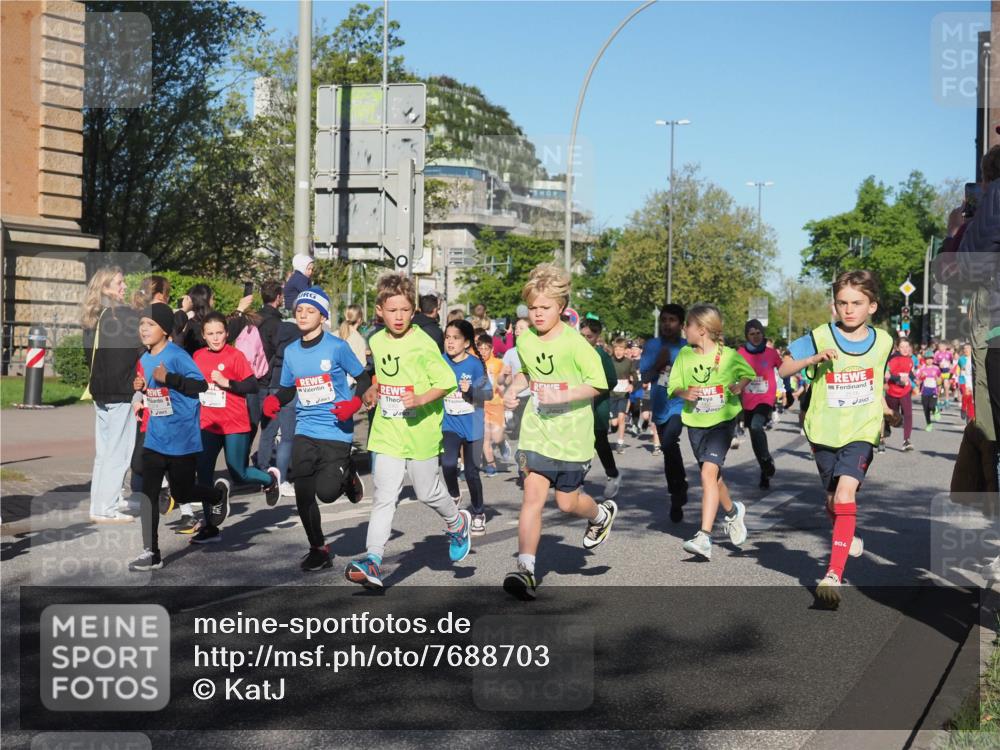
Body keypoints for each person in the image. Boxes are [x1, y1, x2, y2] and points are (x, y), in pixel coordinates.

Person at [779, 270, 896, 608]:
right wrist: (811, 360)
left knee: (845, 494)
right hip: (823, 431)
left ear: (872, 306)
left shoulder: (885, 341)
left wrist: (885, 408)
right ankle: (848, 534)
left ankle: (833, 574)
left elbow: (875, 379)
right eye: (843, 303)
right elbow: (784, 369)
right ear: (835, 305)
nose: (849, 310)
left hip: (861, 431)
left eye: (857, 303)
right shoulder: (818, 336)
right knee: (833, 502)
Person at [501, 264, 617, 600]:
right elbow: (528, 375)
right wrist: (515, 388)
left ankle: (600, 514)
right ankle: (525, 569)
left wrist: (563, 394)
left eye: (545, 308)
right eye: (533, 308)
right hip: (537, 431)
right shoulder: (525, 341)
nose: (537, 314)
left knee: (567, 504)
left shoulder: (576, 344)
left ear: (561, 308)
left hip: (573, 436)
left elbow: (599, 383)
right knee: (532, 497)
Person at [348, 273, 471, 589]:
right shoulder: (375, 341)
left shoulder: (423, 343)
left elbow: (446, 382)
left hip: (421, 430)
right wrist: (372, 392)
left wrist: (418, 398)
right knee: (384, 497)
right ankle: (373, 560)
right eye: (392, 310)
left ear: (413, 309)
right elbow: (383, 377)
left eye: (405, 310)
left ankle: (457, 523)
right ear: (380, 311)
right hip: (389, 429)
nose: (399, 317)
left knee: (427, 492)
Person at [262, 287, 368, 571]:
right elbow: (287, 389)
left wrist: (354, 404)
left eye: (310, 311)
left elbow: (364, 377)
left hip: (336, 429)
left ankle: (347, 477)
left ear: (322, 317)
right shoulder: (292, 351)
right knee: (304, 492)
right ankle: (318, 548)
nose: (303, 315)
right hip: (305, 428)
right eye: (299, 311)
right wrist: (275, 399)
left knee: (327, 493)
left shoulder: (336, 347)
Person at [667, 304, 754, 561]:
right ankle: (732, 512)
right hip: (695, 423)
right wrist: (685, 392)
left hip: (722, 422)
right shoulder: (685, 354)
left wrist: (739, 386)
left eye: (688, 325)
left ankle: (704, 536)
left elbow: (748, 373)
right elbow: (673, 386)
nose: (684, 329)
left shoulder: (728, 355)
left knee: (707, 473)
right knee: (713, 479)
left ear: (702, 330)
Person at [188, 313, 281, 544]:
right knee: (204, 474)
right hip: (208, 423)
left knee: (238, 471)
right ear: (203, 336)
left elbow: (251, 384)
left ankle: (269, 481)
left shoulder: (235, 355)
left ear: (227, 333)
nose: (216, 338)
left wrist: (227, 383)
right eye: (210, 334)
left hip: (234, 423)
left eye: (219, 333)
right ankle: (210, 526)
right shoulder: (198, 356)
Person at [129, 303, 209, 571]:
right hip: (155, 436)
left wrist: (170, 378)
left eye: (149, 324)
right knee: (148, 494)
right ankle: (151, 552)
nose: (144, 329)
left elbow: (201, 385)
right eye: (141, 324)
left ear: (164, 330)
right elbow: (147, 387)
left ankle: (216, 496)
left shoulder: (177, 355)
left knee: (182, 491)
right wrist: (139, 390)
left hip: (182, 438)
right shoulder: (144, 357)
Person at [82, 266, 142, 523]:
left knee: (104, 452)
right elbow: (137, 349)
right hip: (121, 390)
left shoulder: (94, 317)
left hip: (100, 390)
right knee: (118, 453)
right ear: (105, 287)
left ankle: (99, 505)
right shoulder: (123, 316)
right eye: (119, 282)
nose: (124, 286)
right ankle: (106, 509)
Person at [441, 319, 493, 535]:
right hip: (450, 423)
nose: (450, 342)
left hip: (472, 425)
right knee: (448, 463)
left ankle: (479, 512)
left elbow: (488, 393)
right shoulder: (440, 361)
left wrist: (470, 390)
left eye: (456, 338)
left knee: (471, 473)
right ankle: (454, 494)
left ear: (466, 343)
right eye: (447, 337)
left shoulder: (473, 364)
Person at [640, 304, 690, 522]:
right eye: (664, 320)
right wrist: (658, 365)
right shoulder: (652, 346)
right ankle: (677, 491)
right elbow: (644, 378)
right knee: (668, 450)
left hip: (680, 405)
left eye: (672, 320)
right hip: (660, 405)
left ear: (681, 324)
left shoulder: (688, 348)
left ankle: (678, 491)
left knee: (670, 442)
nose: (667, 324)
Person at [256, 317, 301, 497]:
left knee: (268, 432)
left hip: (273, 386)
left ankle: (263, 473)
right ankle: (281, 480)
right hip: (289, 388)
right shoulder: (295, 348)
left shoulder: (276, 346)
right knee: (287, 437)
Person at [579, 316, 622, 500]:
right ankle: (575, 481)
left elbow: (611, 380)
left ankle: (613, 475)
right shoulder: (575, 352)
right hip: (578, 405)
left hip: (597, 406)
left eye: (588, 336)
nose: (585, 340)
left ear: (597, 337)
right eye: (582, 336)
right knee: (579, 442)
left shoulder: (601, 355)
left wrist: (595, 389)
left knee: (600, 443)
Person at [737, 319, 783, 490]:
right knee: (755, 437)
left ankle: (765, 460)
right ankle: (765, 469)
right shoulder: (740, 353)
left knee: (757, 426)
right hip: (748, 401)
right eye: (752, 334)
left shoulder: (771, 353)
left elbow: (784, 370)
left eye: (758, 333)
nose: (756, 337)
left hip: (765, 399)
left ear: (762, 334)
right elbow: (729, 372)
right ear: (747, 336)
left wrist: (788, 392)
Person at [477, 333, 509, 476]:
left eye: (486, 348)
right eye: (481, 348)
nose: (483, 351)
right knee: (486, 437)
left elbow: (508, 380)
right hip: (481, 405)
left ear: (492, 349)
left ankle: (502, 443)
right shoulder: (474, 363)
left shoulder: (498, 363)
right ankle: (491, 465)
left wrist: (504, 383)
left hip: (496, 403)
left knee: (496, 437)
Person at [500, 317, 532, 443]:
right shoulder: (510, 353)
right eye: (516, 328)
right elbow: (504, 380)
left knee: (528, 432)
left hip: (532, 396)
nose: (517, 330)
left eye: (521, 328)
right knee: (515, 432)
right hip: (516, 396)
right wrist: (505, 375)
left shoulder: (535, 352)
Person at [884, 338, 916, 451]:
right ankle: (884, 433)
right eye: (902, 347)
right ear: (897, 348)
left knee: (908, 414)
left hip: (905, 391)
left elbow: (909, 371)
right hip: (892, 391)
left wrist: (915, 379)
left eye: (907, 346)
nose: (905, 349)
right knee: (891, 415)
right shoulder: (893, 359)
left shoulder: (910, 360)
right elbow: (886, 375)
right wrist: (898, 378)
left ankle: (906, 440)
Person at [609, 337, 636, 453]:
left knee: (621, 418)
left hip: (623, 394)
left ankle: (620, 443)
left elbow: (635, 376)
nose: (618, 351)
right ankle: (613, 426)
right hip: (611, 394)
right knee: (614, 422)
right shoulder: (609, 361)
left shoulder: (629, 362)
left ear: (625, 350)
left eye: (621, 349)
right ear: (613, 350)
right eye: (616, 349)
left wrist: (632, 385)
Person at [336, 304, 369, 370]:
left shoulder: (333, 335)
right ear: (359, 320)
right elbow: (362, 365)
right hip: (350, 379)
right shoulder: (359, 340)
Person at [916, 351, 942, 431]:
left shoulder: (936, 368)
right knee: (926, 409)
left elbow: (940, 379)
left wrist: (939, 386)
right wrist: (921, 378)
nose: (929, 361)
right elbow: (917, 380)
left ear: (933, 359)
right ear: (925, 360)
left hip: (933, 391)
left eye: (931, 359)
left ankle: (935, 410)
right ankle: (929, 423)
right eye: (927, 359)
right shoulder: (922, 369)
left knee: (932, 405)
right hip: (924, 391)